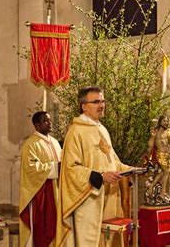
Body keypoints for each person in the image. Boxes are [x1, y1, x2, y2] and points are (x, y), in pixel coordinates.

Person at [56, 86, 133, 246]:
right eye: (96, 101)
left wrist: (130, 170)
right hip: (88, 198)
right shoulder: (76, 131)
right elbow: (70, 168)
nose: (102, 105)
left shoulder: (102, 129)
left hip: (109, 196)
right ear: (84, 106)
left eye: (103, 101)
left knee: (107, 240)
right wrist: (100, 176)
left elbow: (112, 160)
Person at [19, 111, 61, 247]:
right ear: (37, 125)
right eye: (46, 121)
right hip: (41, 193)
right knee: (42, 227)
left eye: (50, 120)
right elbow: (31, 168)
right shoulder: (30, 144)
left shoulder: (55, 142)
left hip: (57, 189)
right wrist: (56, 167)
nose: (50, 123)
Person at [145, 115, 170, 205]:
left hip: (167, 155)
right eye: (164, 121)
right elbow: (150, 145)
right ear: (160, 122)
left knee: (162, 173)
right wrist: (152, 137)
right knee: (167, 172)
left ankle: (152, 186)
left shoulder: (168, 132)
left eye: (167, 121)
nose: (166, 123)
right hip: (159, 155)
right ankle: (162, 193)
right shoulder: (156, 132)